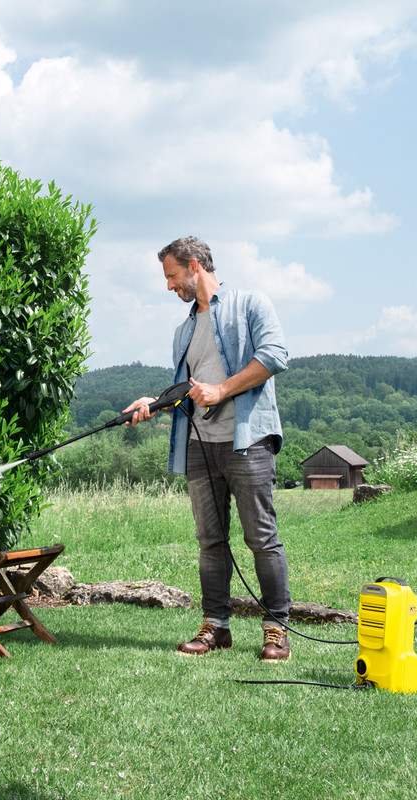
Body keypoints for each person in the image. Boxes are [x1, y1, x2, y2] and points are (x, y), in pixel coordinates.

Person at [123, 236, 292, 661]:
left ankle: (276, 630)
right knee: (210, 542)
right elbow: (187, 392)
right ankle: (216, 627)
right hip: (200, 448)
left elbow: (274, 355)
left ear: (195, 266)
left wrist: (222, 390)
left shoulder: (251, 304)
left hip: (247, 442)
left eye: (172, 275)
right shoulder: (184, 329)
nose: (168, 286)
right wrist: (153, 403)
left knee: (261, 538)